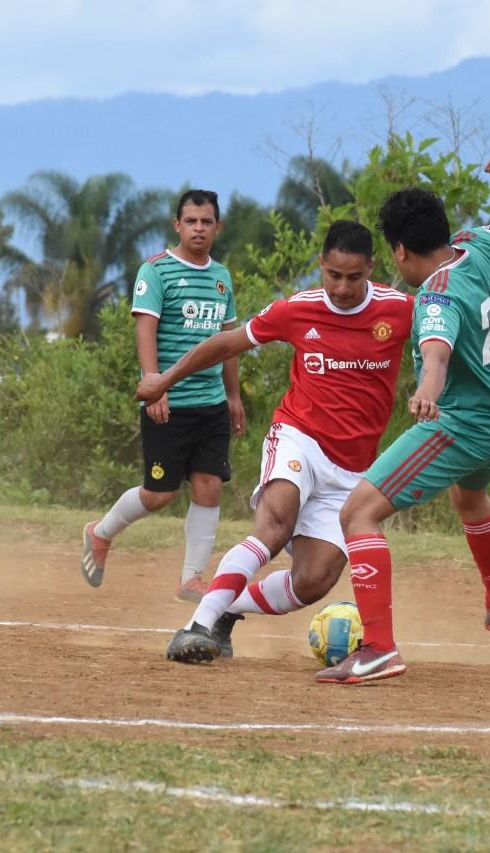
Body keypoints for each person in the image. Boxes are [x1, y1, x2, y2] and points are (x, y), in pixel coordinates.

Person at [315, 153, 490, 685]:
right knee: (470, 497)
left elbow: (437, 354)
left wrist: (425, 393)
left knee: (358, 514)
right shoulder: (478, 246)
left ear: (399, 250)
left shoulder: (436, 295)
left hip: (462, 426)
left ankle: (378, 649)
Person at [134, 220, 412, 661]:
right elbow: (226, 344)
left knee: (313, 581)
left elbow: (452, 344)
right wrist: (164, 379)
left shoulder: (399, 310)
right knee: (275, 525)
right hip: (299, 436)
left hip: (352, 469)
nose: (342, 288)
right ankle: (196, 627)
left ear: (371, 270)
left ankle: (228, 610)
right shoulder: (297, 309)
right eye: (333, 275)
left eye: (354, 277)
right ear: (321, 265)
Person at [81, 189, 246, 602]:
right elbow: (146, 332)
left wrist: (233, 395)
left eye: (206, 222)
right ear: (177, 225)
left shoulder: (222, 277)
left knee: (209, 486)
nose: (198, 229)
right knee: (159, 494)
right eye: (190, 221)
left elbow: (227, 342)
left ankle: (192, 578)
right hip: (168, 404)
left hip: (211, 404)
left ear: (218, 227)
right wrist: (155, 386)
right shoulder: (156, 271)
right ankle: (100, 533)